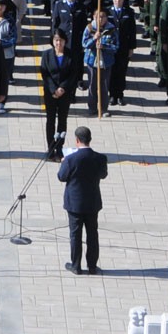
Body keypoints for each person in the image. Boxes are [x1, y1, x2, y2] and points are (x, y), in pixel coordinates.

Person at [56, 126, 108, 275]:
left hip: (75, 203)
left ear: (77, 140)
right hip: (92, 202)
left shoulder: (71, 159)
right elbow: (103, 175)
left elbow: (61, 177)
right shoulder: (100, 158)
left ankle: (76, 266)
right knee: (92, 234)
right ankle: (92, 266)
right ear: (90, 139)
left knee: (75, 234)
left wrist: (64, 162)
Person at [40, 29, 80, 160]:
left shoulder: (71, 55)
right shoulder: (46, 55)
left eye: (61, 40)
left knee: (62, 120)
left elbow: (74, 74)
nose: (58, 43)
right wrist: (53, 90)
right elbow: (45, 74)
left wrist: (62, 88)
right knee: (50, 120)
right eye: (56, 40)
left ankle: (59, 147)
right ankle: (50, 148)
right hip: (50, 94)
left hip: (65, 93)